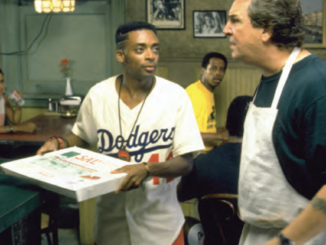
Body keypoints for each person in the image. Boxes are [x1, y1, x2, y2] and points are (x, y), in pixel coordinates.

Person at [37, 21, 204, 245]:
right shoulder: (98, 94)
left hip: (161, 225)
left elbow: (186, 163)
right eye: (140, 49)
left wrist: (147, 169)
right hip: (110, 222)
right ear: (120, 55)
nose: (151, 55)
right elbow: (83, 135)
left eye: (155, 48)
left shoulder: (176, 96)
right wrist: (60, 142)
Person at [223, 0, 326, 245]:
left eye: (235, 20)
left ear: (266, 29)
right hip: (259, 231)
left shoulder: (316, 84)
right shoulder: (270, 76)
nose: (226, 29)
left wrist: (284, 241)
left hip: (304, 236)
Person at [178, 95, 252, 245]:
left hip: (215, 241)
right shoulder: (269, 167)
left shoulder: (201, 164)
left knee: (184, 222)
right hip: (257, 241)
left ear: (225, 124)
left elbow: (179, 196)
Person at [186, 52, 228, 152]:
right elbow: (188, 135)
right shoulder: (195, 93)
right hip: (196, 157)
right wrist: (220, 135)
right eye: (213, 68)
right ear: (203, 70)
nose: (218, 73)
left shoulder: (207, 92)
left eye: (221, 69)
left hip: (207, 153)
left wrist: (221, 130)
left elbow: (204, 128)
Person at [0, 68, 36, 134]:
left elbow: (15, 121)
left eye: (1, 81)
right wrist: (19, 128)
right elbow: (17, 126)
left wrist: (18, 102)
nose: (1, 86)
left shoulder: (3, 98)